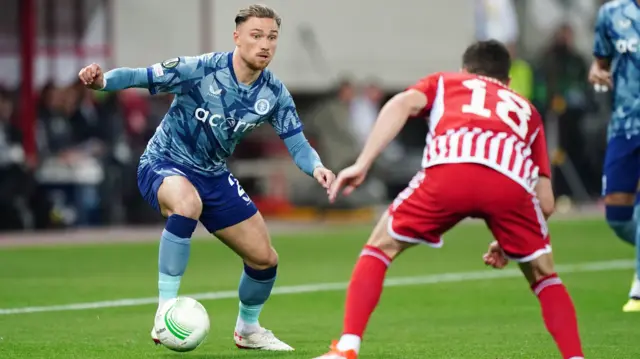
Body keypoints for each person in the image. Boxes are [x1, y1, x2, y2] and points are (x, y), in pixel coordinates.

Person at [78, 4, 335, 351]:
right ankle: (164, 309)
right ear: (237, 37)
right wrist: (103, 81)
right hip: (164, 162)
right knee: (187, 204)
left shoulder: (273, 94)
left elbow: (298, 143)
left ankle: (248, 330)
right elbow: (141, 76)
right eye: (256, 36)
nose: (265, 44)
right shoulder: (200, 69)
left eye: (272, 37)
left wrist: (316, 166)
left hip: (213, 175)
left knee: (264, 258)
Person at [313, 40, 584, 359]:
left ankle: (347, 347)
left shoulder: (446, 81)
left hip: (450, 170)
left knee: (379, 247)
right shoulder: (529, 112)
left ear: (465, 70)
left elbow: (401, 104)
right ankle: (575, 356)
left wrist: (363, 162)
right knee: (544, 276)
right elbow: (547, 202)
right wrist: (509, 238)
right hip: (509, 185)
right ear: (508, 82)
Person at [589, 0, 640, 312]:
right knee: (617, 215)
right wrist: (596, 73)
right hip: (624, 124)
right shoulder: (611, 13)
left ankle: (638, 289)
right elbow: (600, 63)